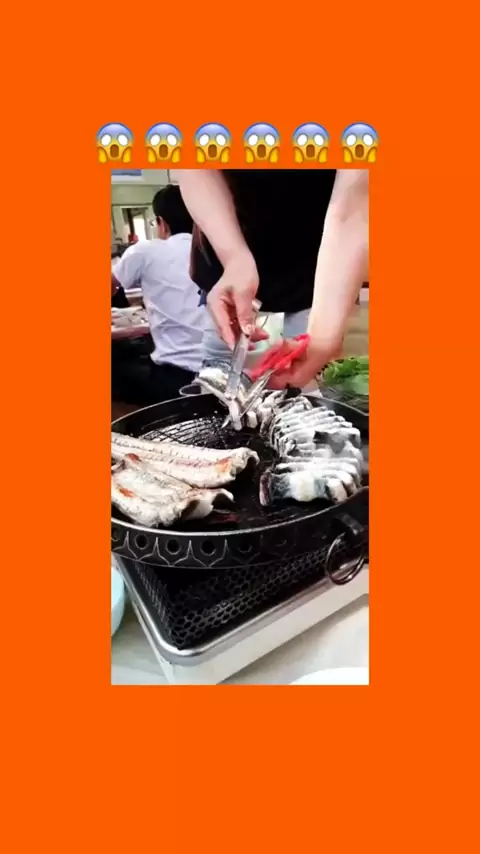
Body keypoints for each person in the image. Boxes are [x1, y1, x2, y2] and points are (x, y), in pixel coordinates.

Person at [177, 169, 368, 389]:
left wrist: (323, 337)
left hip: (319, 273)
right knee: (218, 380)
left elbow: (355, 202)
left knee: (308, 386)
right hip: (229, 278)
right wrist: (233, 258)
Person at [111, 185, 206, 404]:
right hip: (225, 371)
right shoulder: (216, 251)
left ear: (162, 222)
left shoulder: (145, 251)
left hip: (173, 375)